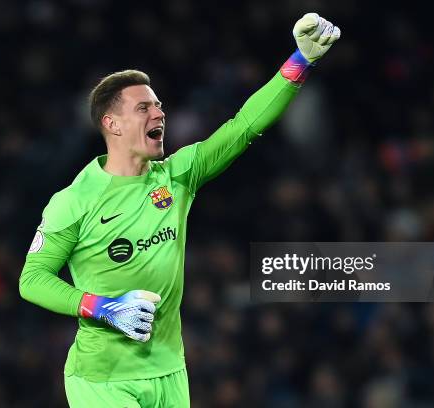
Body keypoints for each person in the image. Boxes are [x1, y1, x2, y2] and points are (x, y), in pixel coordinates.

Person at [19, 12, 340, 408]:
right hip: (103, 381)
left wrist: (300, 61)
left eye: (158, 106)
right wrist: (101, 307)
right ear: (112, 123)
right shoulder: (74, 201)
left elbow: (242, 128)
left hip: (170, 372)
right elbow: (31, 279)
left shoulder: (177, 176)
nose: (159, 114)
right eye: (144, 109)